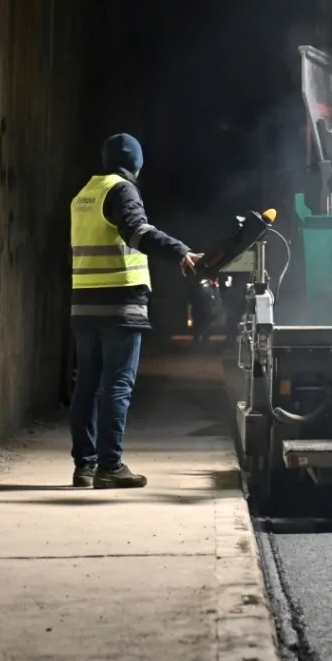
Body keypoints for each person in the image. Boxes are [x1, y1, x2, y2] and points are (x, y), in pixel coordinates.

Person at [69, 134, 201, 488]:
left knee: (87, 385)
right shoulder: (123, 189)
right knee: (118, 384)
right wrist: (180, 252)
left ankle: (85, 466)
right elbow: (137, 232)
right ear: (135, 163)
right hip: (119, 305)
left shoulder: (84, 194)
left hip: (84, 304)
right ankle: (110, 466)